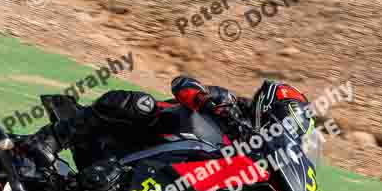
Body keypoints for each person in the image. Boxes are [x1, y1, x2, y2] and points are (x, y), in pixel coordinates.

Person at [23, 76, 312, 168]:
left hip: (174, 173)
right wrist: (207, 102)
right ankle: (51, 138)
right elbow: (182, 84)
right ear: (272, 109)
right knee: (140, 103)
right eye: (287, 120)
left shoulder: (256, 157)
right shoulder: (230, 104)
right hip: (144, 133)